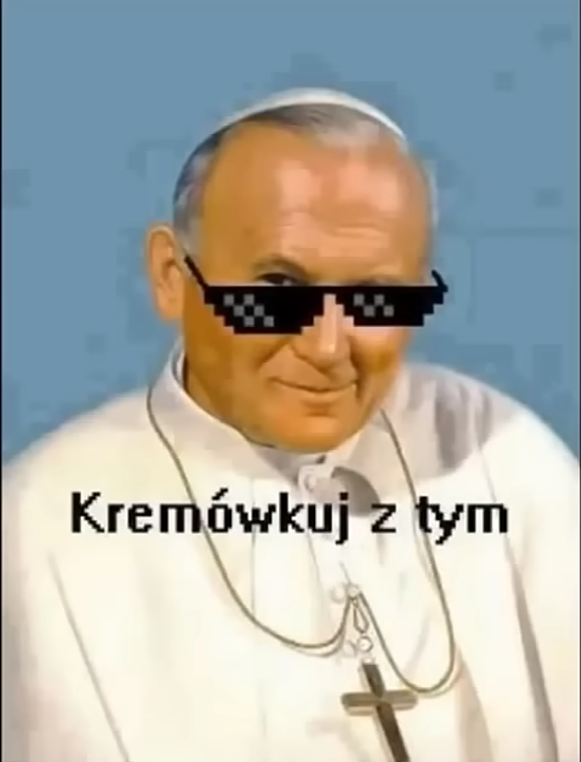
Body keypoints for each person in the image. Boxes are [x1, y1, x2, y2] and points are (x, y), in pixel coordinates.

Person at [2, 88, 578, 762]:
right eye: (278, 289)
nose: (328, 346)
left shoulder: (499, 452)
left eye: (376, 297)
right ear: (170, 277)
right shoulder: (42, 522)